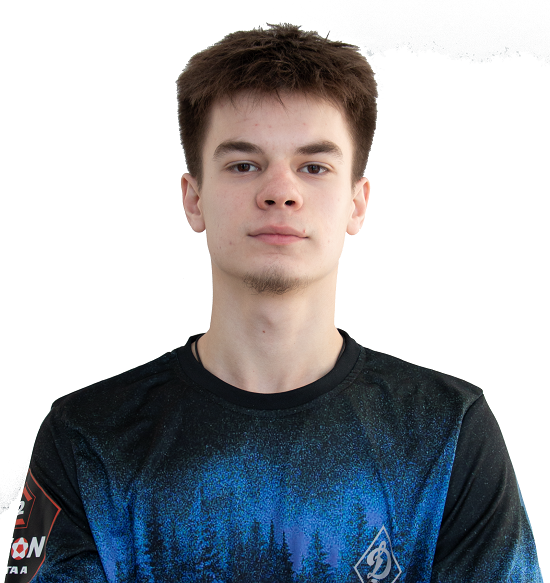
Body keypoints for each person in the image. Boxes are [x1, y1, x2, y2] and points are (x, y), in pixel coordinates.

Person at [5, 23, 543, 583]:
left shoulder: (447, 433)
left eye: (314, 167)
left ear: (357, 202)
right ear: (194, 198)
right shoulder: (87, 439)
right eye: (244, 164)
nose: (280, 191)